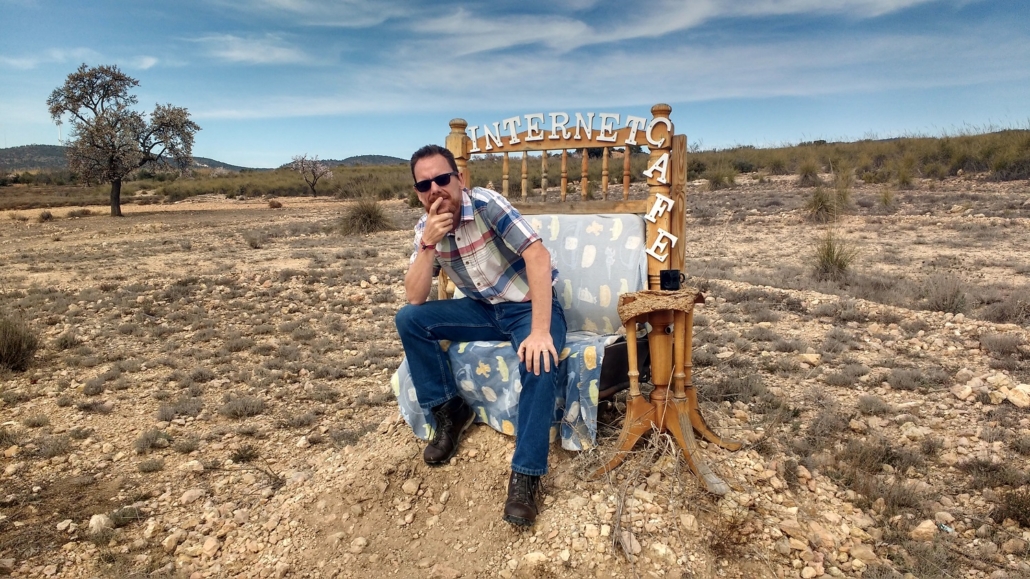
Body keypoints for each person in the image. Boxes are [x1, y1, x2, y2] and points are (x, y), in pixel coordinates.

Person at [395, 144, 567, 527]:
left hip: (527, 306)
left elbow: (537, 256)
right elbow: (414, 296)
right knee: (409, 319)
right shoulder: (426, 230)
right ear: (418, 193)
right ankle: (450, 410)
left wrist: (540, 331)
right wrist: (427, 247)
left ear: (459, 179)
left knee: (538, 358)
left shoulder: (487, 205)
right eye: (425, 185)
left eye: (442, 179)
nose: (435, 190)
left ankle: (526, 475)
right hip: (484, 310)